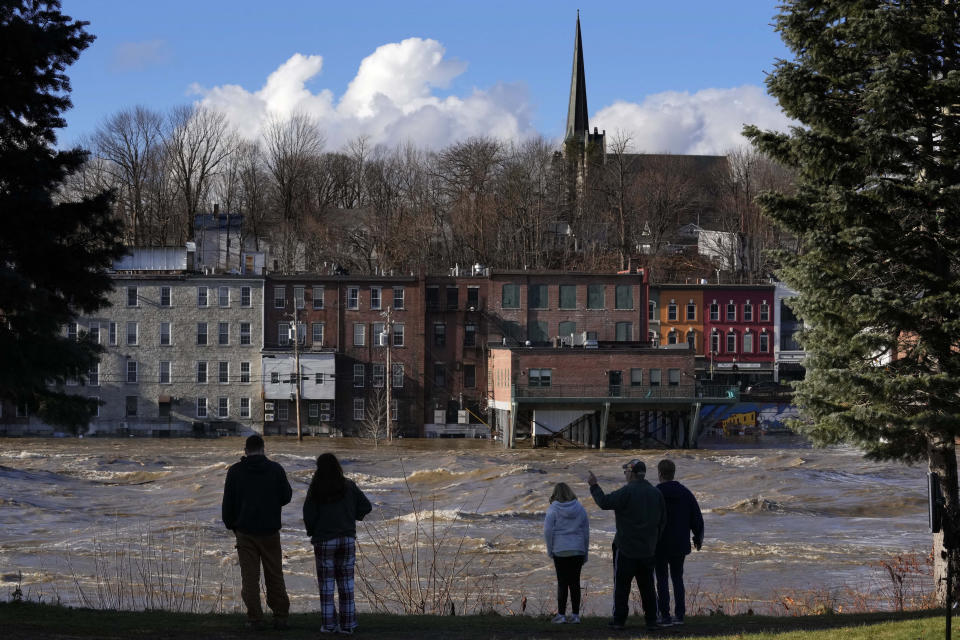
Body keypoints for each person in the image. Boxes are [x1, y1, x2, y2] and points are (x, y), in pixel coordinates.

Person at [221, 434, 293, 630]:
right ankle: (280, 616)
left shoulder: (235, 471)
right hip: (270, 530)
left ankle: (255, 619)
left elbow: (228, 504)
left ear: (245, 450)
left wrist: (231, 525)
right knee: (275, 575)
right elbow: (286, 496)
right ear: (263, 449)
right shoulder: (276, 469)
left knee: (250, 578)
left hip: (244, 531)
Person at [588, 459, 665, 632]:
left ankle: (619, 621)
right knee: (648, 587)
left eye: (625, 472)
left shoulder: (627, 491)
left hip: (626, 549)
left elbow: (604, 502)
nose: (625, 475)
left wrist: (594, 486)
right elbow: (663, 521)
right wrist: (653, 541)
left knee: (622, 587)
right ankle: (651, 620)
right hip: (647, 549)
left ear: (631, 473)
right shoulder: (655, 493)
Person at [303, 453, 372, 634]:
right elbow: (366, 507)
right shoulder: (349, 485)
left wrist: (313, 531)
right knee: (346, 584)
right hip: (347, 539)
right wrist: (352, 516)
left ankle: (329, 625)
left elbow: (308, 514)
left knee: (326, 586)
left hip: (325, 540)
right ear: (337, 466)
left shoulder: (316, 488)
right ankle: (347, 625)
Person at [654, 458, 704, 626]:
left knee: (661, 578)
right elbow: (697, 518)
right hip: (680, 543)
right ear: (673, 473)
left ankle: (665, 616)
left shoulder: (655, 493)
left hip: (659, 544)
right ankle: (680, 615)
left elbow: (648, 518)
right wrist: (698, 538)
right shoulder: (685, 493)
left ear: (660, 474)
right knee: (677, 578)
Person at [543, 482, 589, 624]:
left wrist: (550, 550)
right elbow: (586, 531)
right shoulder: (580, 508)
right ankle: (575, 616)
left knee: (562, 583)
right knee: (575, 583)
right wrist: (585, 552)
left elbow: (548, 532)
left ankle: (561, 615)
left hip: (561, 550)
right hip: (577, 550)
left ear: (555, 494)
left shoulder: (553, 509)